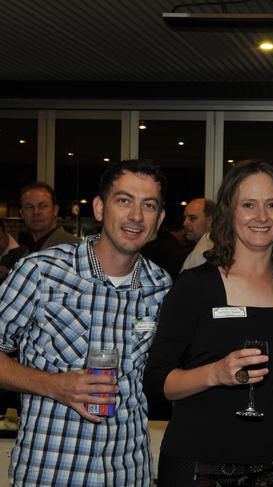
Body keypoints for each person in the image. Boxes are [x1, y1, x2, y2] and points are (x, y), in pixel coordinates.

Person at [0, 159, 172, 486]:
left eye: (148, 205)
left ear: (159, 219)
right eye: (124, 200)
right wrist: (53, 385)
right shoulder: (41, 271)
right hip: (49, 472)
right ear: (99, 208)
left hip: (127, 473)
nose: (136, 215)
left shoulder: (161, 286)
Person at [144, 160, 273, 486]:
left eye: (272, 205)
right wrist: (215, 373)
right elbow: (156, 381)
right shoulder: (195, 286)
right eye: (248, 205)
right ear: (229, 212)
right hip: (199, 462)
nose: (261, 216)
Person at [19, 182, 80, 253]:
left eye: (43, 206)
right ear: (22, 213)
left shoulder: (77, 249)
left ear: (55, 210)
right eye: (29, 207)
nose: (36, 212)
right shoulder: (18, 255)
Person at [180, 197, 217, 271]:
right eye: (185, 218)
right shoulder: (217, 244)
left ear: (210, 221)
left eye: (192, 218)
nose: (185, 223)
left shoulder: (202, 253)